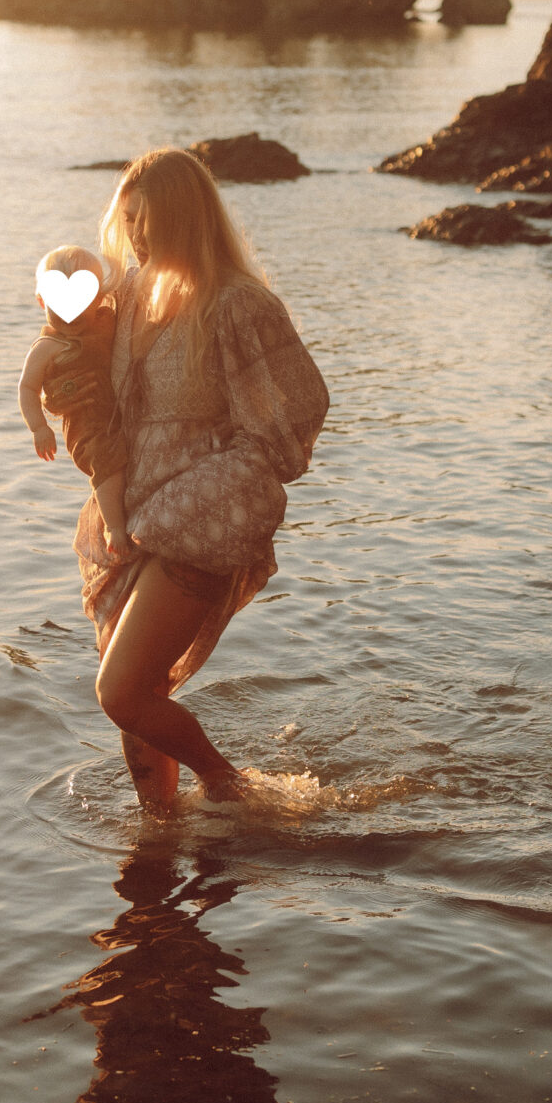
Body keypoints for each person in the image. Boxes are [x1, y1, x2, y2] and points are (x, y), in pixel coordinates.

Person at [76, 148, 329, 813]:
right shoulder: (129, 294)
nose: (133, 235)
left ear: (181, 216)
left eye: (146, 220)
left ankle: (228, 787)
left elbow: (291, 421)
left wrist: (206, 492)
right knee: (138, 702)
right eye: (126, 220)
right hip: (134, 518)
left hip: (200, 522)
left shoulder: (237, 304)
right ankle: (159, 831)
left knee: (120, 691)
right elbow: (88, 384)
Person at [19, 244, 131, 558]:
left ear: (98, 298)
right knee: (106, 463)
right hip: (87, 426)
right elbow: (27, 388)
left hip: (117, 412)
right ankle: (114, 526)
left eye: (83, 303)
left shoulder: (106, 321)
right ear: (41, 300)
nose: (72, 314)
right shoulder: (47, 347)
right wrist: (39, 428)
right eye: (59, 304)